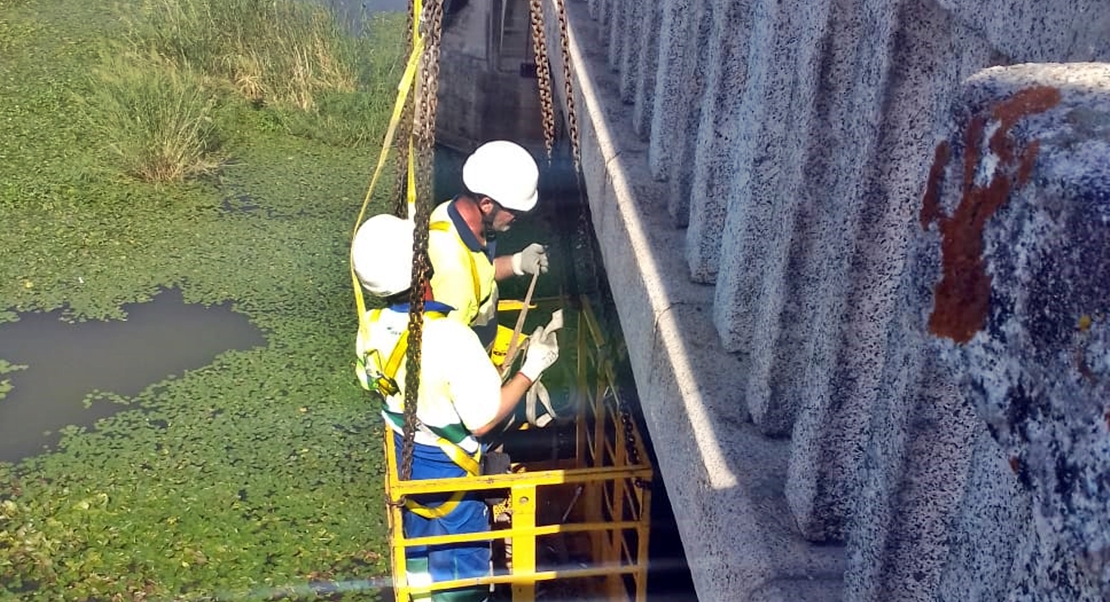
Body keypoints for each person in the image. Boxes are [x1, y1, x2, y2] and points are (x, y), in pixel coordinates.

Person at [351, 213, 561, 602]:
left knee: (415, 550)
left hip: (404, 459)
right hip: (451, 473)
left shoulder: (370, 327)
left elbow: (370, 382)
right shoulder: (450, 336)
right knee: (461, 572)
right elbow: (483, 422)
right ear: (424, 269)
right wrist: (530, 370)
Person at [428, 140, 550, 349]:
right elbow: (449, 354)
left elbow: (480, 272)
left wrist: (517, 263)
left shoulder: (451, 213)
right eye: (514, 211)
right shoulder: (455, 278)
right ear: (486, 204)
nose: (516, 218)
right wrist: (526, 373)